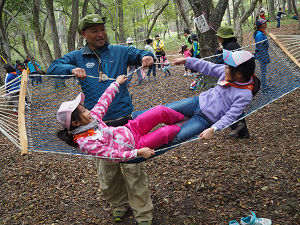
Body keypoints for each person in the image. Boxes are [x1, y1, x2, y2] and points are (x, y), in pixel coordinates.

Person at [47, 14, 155, 225]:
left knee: (134, 169)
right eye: (94, 30)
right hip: (95, 129)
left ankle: (143, 213)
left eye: (102, 29)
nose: (101, 34)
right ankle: (119, 205)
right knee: (108, 175)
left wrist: (146, 57)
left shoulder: (120, 51)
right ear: (84, 34)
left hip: (125, 124)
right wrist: (70, 69)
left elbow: (141, 53)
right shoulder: (78, 56)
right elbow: (52, 68)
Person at [57, 75, 183, 160]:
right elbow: (111, 155)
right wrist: (138, 153)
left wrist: (116, 84)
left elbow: (103, 101)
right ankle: (184, 125)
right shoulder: (85, 142)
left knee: (159, 111)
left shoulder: (93, 118)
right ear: (75, 123)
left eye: (85, 108)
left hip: (131, 128)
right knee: (167, 132)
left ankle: (181, 117)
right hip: (135, 145)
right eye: (83, 111)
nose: (88, 111)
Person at [166, 50, 260, 143]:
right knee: (164, 109)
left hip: (205, 119)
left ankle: (152, 151)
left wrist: (213, 128)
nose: (224, 67)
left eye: (228, 66)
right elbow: (208, 67)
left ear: (239, 74)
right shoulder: (226, 72)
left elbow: (231, 116)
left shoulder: (245, 94)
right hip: (197, 102)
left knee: (176, 138)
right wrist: (186, 61)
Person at [214, 26, 250, 138]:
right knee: (234, 105)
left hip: (232, 79)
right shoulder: (233, 45)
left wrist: (219, 53)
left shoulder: (229, 47)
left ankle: (240, 129)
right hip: (237, 78)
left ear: (223, 37)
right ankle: (240, 129)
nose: (218, 38)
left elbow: (224, 62)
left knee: (230, 105)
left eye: (219, 37)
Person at [254, 18, 270, 91]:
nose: (266, 24)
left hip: (263, 54)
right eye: (264, 23)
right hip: (262, 55)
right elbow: (260, 46)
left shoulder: (262, 32)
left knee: (264, 71)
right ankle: (264, 88)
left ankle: (265, 86)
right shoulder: (259, 34)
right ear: (260, 25)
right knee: (263, 72)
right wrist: (264, 57)